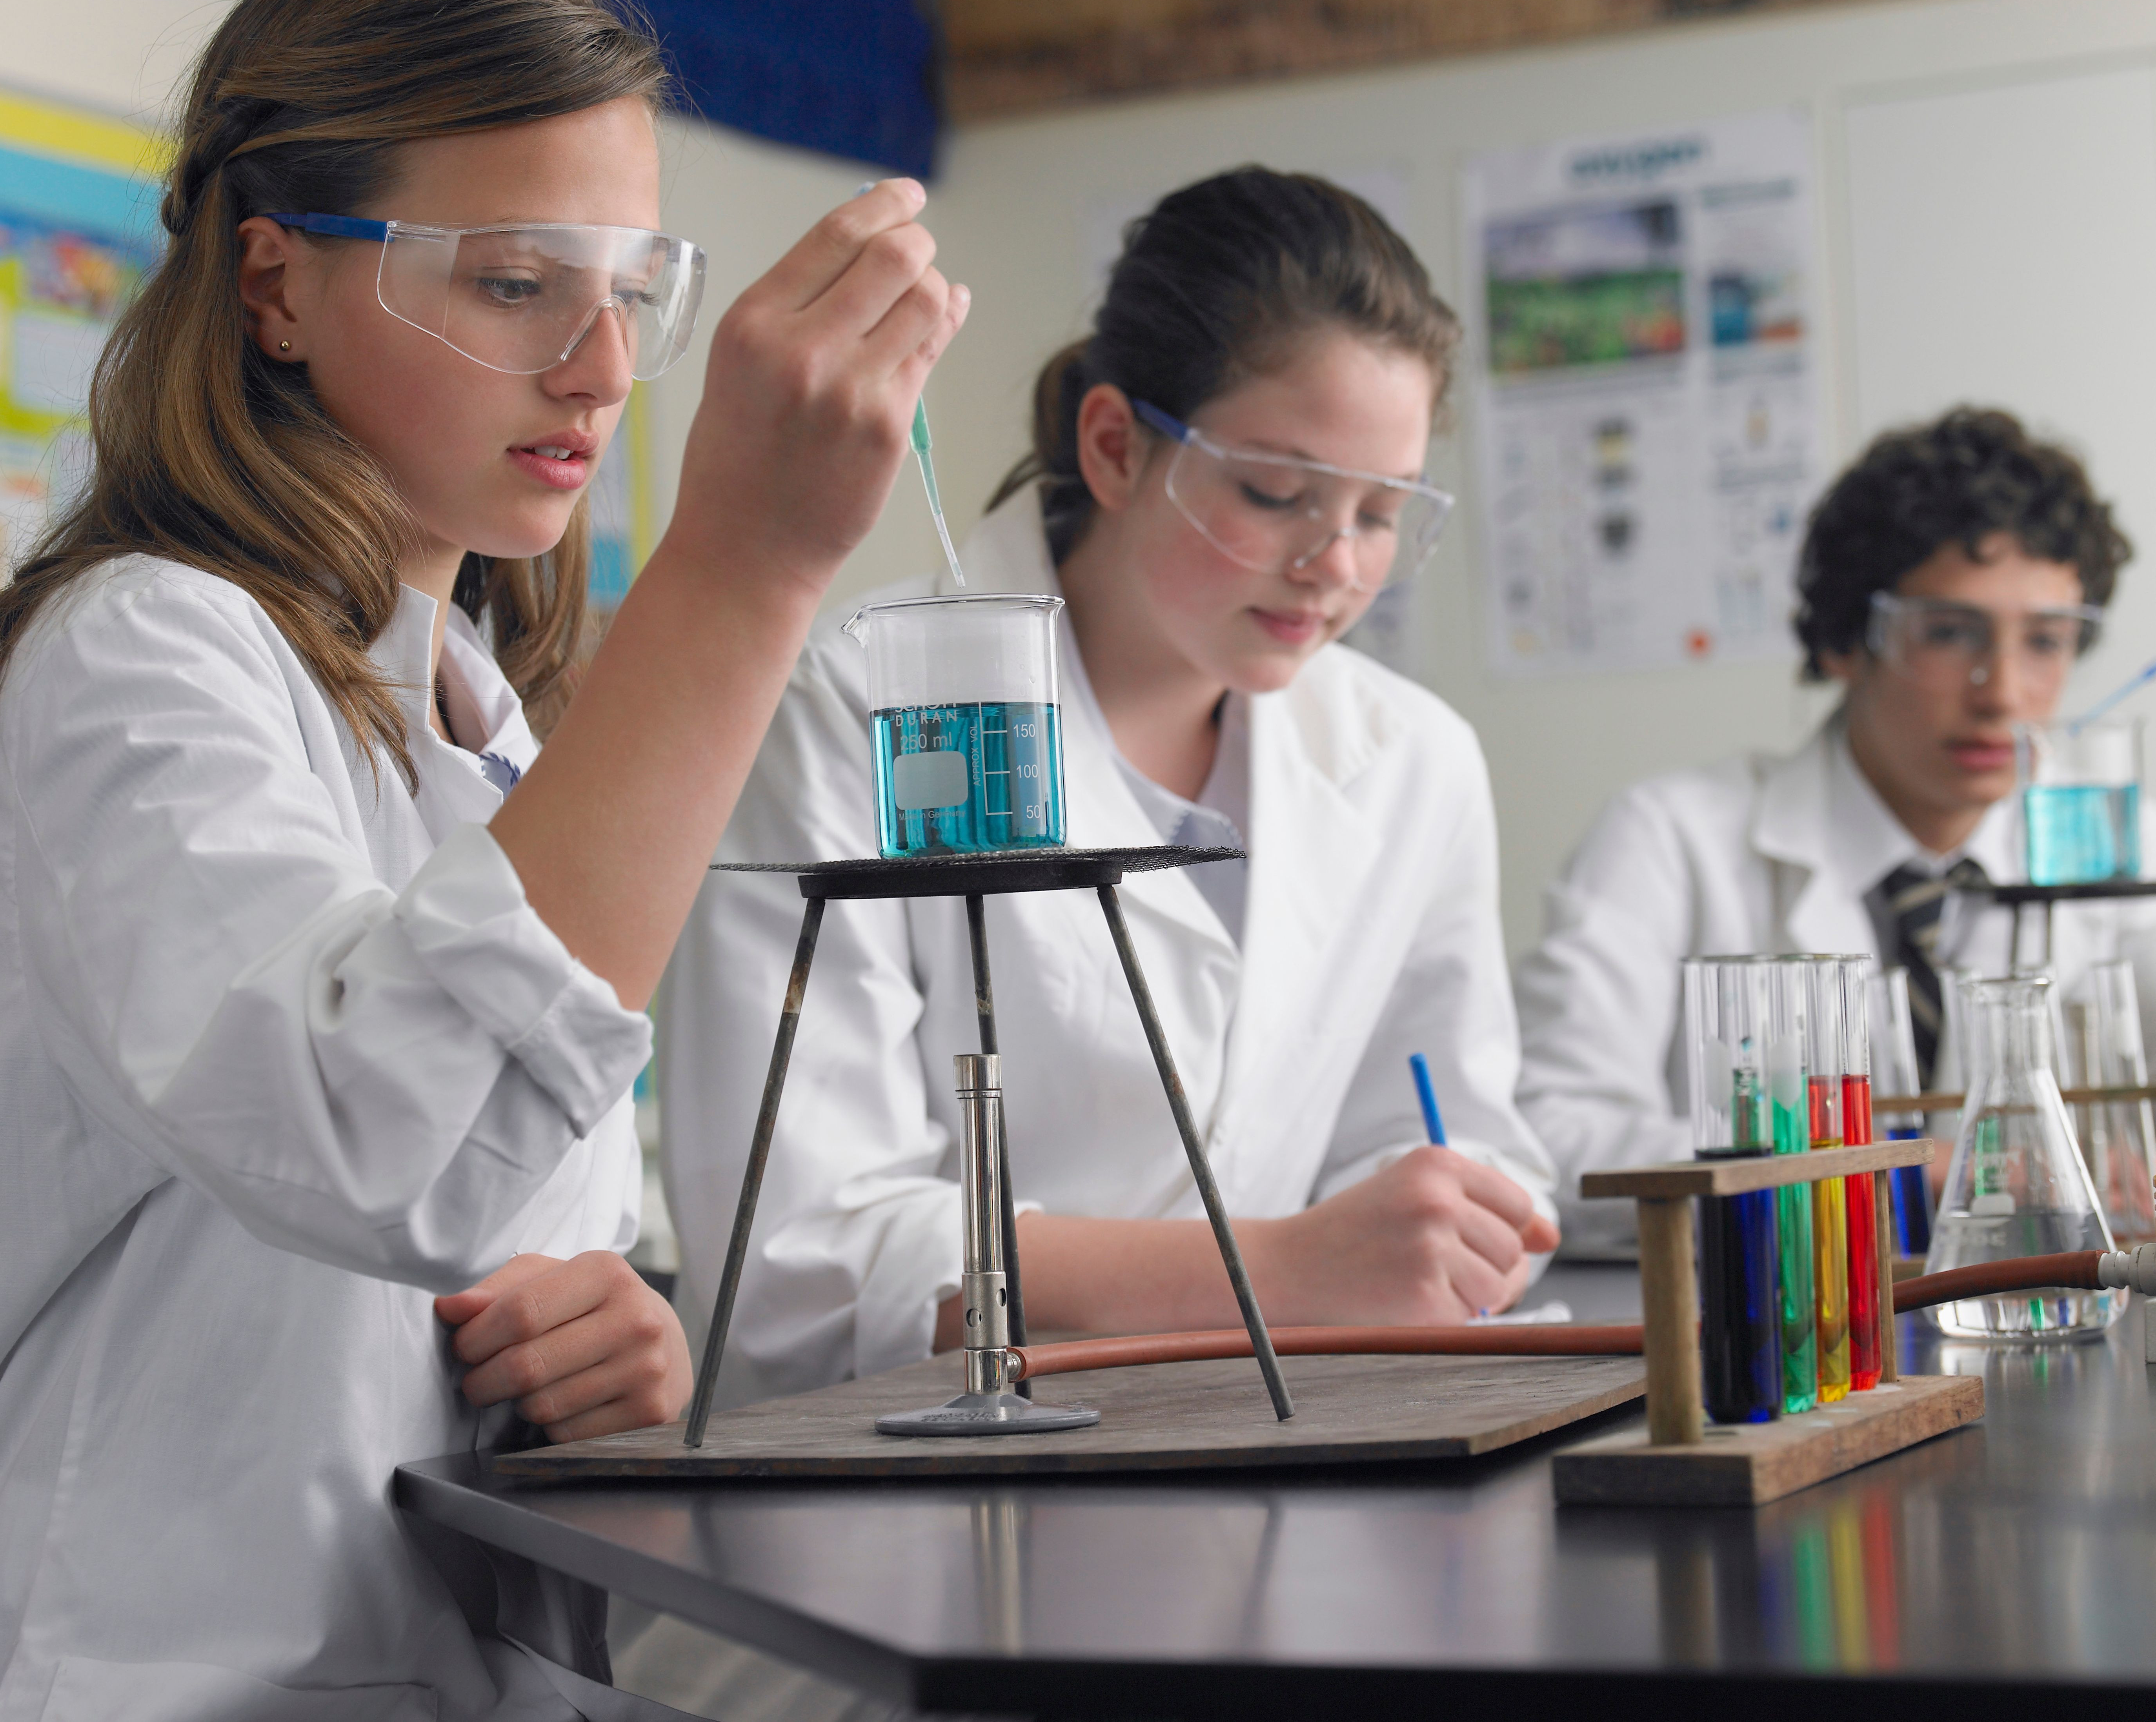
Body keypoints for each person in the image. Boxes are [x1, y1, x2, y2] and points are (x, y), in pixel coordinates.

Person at [0, 0, 966, 1720]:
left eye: (632, 289)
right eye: (514, 282)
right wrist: (745, 571)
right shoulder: (141, 652)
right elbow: (384, 1136)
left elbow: (477, 1221)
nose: (605, 369)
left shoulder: (484, 720)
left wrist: (609, 1340)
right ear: (278, 283)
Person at [661, 168, 1561, 1409]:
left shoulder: (1412, 760)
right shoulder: (851, 705)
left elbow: (1441, 1139)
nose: (1334, 565)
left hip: (1301, 1447)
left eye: (1379, 513)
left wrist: (1447, 1227)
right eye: (1276, 492)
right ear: (1115, 447)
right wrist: (1281, 1271)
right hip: (935, 1501)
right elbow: (797, 1261)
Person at [1516, 407, 2156, 1251]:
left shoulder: (2127, 850)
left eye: (2047, 640)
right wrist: (1921, 1165)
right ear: (1845, 638)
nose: (2003, 692)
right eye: (1949, 633)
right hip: (1780, 1343)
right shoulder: (1671, 841)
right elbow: (1554, 1139)